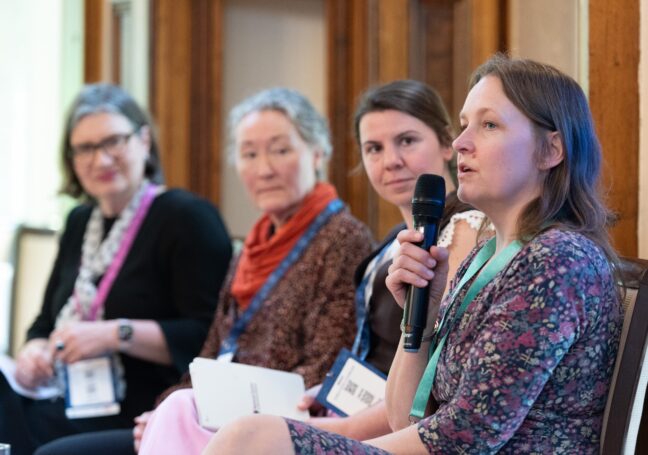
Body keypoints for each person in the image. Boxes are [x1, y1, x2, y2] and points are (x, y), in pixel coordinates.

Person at [202, 54, 622, 454]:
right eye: (462, 125)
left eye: (489, 125)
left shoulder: (557, 260)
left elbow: (465, 438)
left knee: (252, 439)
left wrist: (345, 446)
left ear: (551, 150)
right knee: (245, 433)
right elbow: (407, 416)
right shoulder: (485, 258)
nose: (461, 143)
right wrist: (417, 320)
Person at [36, 87, 373, 455]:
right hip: (214, 416)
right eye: (249, 154)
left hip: (270, 429)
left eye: (280, 150)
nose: (264, 169)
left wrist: (213, 409)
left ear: (317, 152)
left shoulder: (342, 238)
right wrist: (163, 410)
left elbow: (325, 366)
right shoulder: (253, 246)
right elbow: (210, 352)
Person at [0, 83, 232, 455]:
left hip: (142, 411)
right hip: (65, 394)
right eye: (86, 148)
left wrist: (115, 334)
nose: (101, 159)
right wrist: (35, 352)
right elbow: (44, 322)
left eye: (114, 141)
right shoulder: (79, 222)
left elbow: (208, 338)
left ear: (143, 141)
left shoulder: (186, 217)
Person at [297, 79, 484, 441]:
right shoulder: (391, 239)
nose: (391, 161)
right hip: (365, 410)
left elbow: (438, 374)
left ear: (448, 143)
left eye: (407, 141)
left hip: (402, 429)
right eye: (374, 148)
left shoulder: (465, 227)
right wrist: (330, 393)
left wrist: (346, 429)